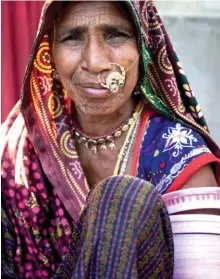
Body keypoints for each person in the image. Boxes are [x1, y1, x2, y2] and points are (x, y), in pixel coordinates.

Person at [1, 0, 220, 278]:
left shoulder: (178, 153)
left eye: (116, 34)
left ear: (144, 48)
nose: (95, 62)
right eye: (71, 37)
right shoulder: (20, 144)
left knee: (123, 200)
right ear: (50, 55)